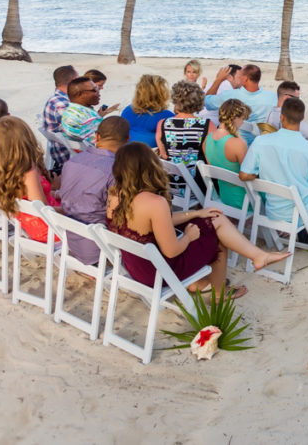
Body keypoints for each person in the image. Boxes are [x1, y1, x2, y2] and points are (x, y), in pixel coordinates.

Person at [107, 142, 290, 298]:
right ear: (149, 167)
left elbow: (156, 223)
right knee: (215, 234)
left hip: (137, 267)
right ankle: (221, 294)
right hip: (161, 274)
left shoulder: (115, 195)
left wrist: (194, 214)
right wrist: (188, 235)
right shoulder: (156, 202)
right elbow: (171, 251)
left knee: (211, 218)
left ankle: (257, 257)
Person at [240, 97, 308, 236]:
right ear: (303, 118)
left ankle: (303, 234)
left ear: (281, 117)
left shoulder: (260, 142)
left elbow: (244, 175)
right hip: (301, 215)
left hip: (273, 212)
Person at [58, 116, 130, 264]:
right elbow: (119, 217)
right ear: (128, 139)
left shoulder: (73, 161)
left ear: (97, 137)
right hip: (99, 248)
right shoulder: (118, 170)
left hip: (70, 239)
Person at [0, 116, 61, 242]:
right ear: (26, 138)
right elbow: (44, 211)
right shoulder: (28, 172)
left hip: (28, 225)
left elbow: (30, 196)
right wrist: (70, 210)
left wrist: (56, 194)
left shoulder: (0, 169)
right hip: (49, 230)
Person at [157, 80, 212, 199]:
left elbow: (164, 156)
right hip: (195, 187)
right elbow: (210, 160)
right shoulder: (207, 125)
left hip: (169, 186)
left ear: (176, 100)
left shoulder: (163, 124)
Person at [203, 99, 251, 208]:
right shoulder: (238, 143)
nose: (243, 122)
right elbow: (248, 174)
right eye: (242, 118)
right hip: (243, 201)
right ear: (235, 118)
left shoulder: (207, 139)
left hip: (224, 196)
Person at [204, 63, 276, 127]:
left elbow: (207, 102)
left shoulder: (229, 96)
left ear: (245, 79)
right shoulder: (274, 97)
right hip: (262, 138)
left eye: (240, 76)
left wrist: (218, 79)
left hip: (236, 139)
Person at [121, 74, 174, 147]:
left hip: (129, 153)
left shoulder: (127, 111)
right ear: (161, 94)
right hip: (153, 155)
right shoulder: (167, 116)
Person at [42, 64, 78, 173]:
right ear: (73, 80)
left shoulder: (57, 99)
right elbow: (77, 132)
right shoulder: (62, 103)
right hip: (67, 154)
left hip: (60, 150)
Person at [60, 76, 103, 144]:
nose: (98, 92)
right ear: (80, 94)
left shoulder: (68, 112)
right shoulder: (91, 119)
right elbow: (102, 144)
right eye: (95, 89)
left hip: (79, 153)